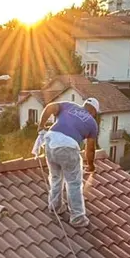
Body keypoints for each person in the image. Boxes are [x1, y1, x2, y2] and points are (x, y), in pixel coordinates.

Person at [36, 96, 99, 228]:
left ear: (84, 105)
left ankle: (55, 207)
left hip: (50, 142)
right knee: (74, 183)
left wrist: (41, 126)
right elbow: (90, 148)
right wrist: (91, 165)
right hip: (68, 147)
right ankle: (77, 218)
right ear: (94, 112)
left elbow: (50, 107)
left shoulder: (70, 105)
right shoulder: (92, 123)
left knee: (55, 177)